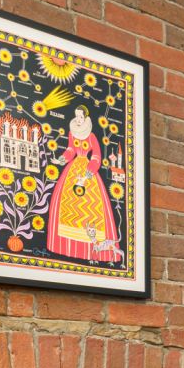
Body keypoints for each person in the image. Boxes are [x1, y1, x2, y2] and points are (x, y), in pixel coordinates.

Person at [46, 106, 123, 264]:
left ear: (86, 118)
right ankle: (65, 246)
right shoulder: (72, 132)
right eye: (76, 116)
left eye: (81, 117)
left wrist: (87, 175)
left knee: (92, 208)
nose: (78, 119)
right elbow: (70, 150)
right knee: (67, 203)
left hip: (87, 171)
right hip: (73, 169)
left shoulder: (91, 136)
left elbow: (96, 156)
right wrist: (60, 160)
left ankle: (92, 249)